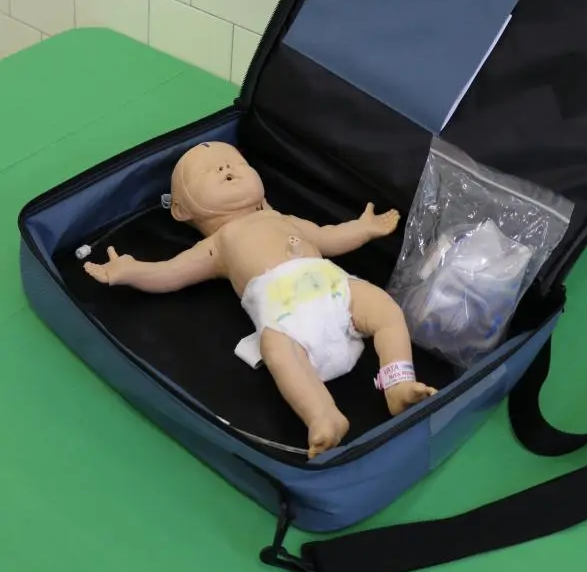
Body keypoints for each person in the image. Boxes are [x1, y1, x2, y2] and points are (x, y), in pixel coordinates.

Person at [83, 141, 436, 457]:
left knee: (385, 310)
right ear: (181, 210)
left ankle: (398, 382)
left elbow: (327, 237)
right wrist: (132, 271)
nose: (226, 167)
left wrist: (362, 229)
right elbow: (170, 273)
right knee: (277, 350)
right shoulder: (219, 244)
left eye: (236, 162)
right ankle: (323, 416)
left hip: (337, 290)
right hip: (285, 320)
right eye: (208, 171)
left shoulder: (283, 219)